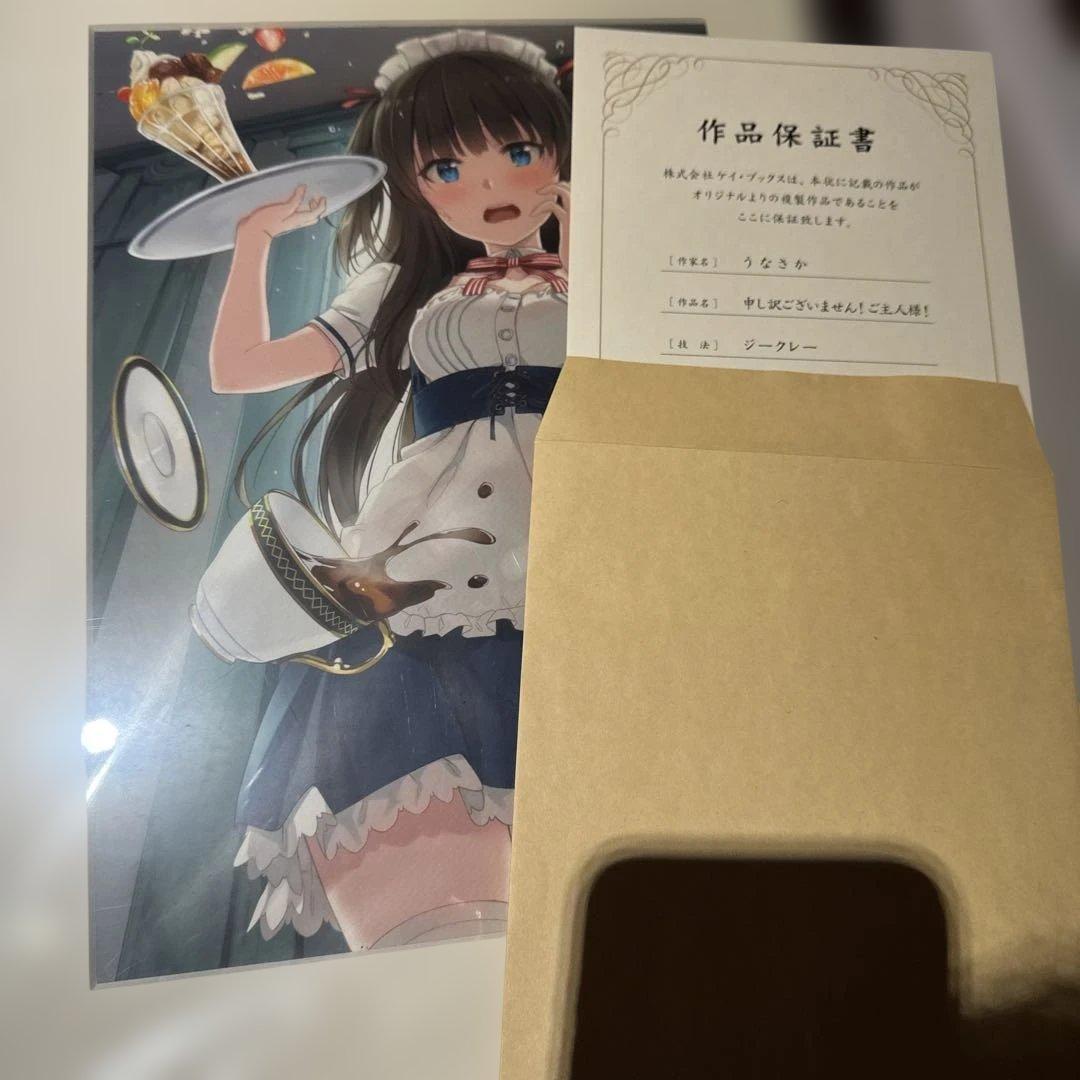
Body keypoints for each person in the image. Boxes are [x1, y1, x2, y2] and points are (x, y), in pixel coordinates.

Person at [208, 30, 571, 951]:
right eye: (447, 168)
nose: (491, 186)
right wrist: (253, 243)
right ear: (414, 187)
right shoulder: (404, 286)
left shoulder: (608, 277)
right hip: (426, 544)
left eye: (519, 151)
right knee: (414, 782)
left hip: (591, 524)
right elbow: (240, 367)